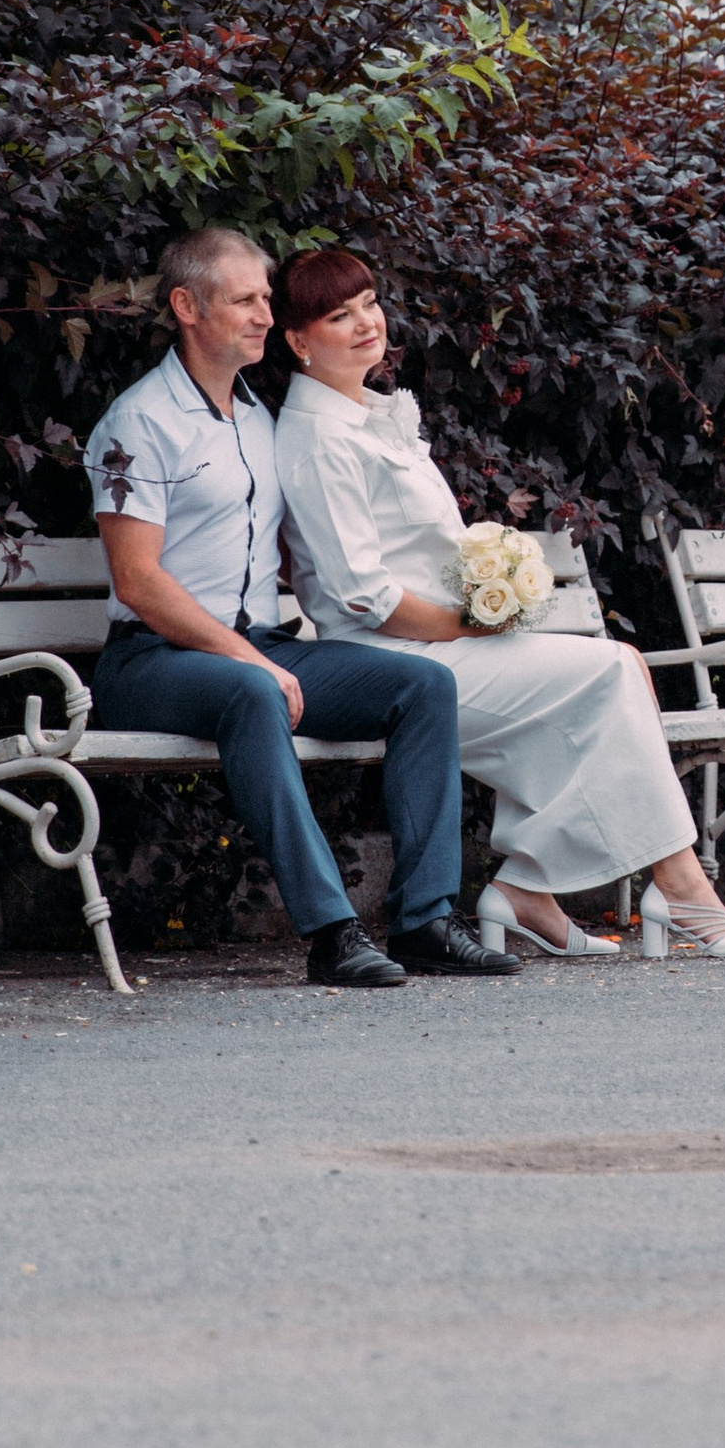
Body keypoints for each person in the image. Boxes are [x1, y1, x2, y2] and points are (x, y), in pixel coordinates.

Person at [268, 246, 725, 960]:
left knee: (620, 664)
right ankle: (681, 888)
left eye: (369, 304)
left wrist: (485, 601)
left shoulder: (368, 415)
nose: (365, 324)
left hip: (444, 643)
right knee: (607, 673)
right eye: (337, 315)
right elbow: (363, 595)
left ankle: (529, 888)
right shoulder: (317, 437)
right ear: (297, 341)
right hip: (394, 658)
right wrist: (473, 622)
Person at [84, 226, 517, 989]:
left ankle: (425, 920)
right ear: (186, 305)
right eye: (245, 300)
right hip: (152, 663)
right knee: (253, 690)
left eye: (264, 299)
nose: (262, 314)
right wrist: (248, 658)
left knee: (423, 685)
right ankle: (332, 932)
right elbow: (138, 583)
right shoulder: (139, 422)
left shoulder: (258, 416)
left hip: (264, 647)